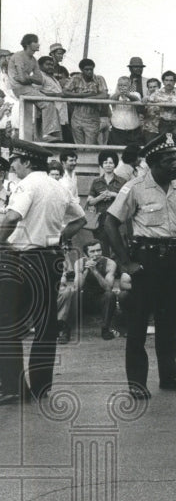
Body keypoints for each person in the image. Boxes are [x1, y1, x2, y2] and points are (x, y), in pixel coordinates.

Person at [104, 132, 176, 398]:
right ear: (156, 162)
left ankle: (170, 375)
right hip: (145, 262)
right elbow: (110, 223)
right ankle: (137, 383)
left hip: (172, 260)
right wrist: (126, 262)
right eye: (170, 160)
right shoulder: (134, 187)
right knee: (137, 324)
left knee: (169, 321)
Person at [0, 138, 87, 404]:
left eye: (16, 160)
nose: (13, 165)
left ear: (27, 161)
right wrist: (60, 237)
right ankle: (41, 386)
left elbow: (12, 217)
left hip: (22, 258)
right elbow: (81, 219)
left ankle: (14, 387)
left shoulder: (27, 185)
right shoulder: (59, 187)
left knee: (7, 324)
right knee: (45, 325)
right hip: (50, 259)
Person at [57, 240, 119, 342]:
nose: (96, 254)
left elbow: (108, 287)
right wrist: (86, 270)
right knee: (73, 293)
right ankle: (65, 331)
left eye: (98, 250)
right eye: (92, 251)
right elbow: (78, 286)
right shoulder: (80, 263)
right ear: (86, 254)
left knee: (110, 295)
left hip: (101, 298)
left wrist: (95, 271)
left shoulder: (110, 263)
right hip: (85, 297)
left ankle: (105, 329)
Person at [86, 149, 126, 256]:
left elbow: (127, 200)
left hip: (117, 220)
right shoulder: (96, 182)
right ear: (101, 165)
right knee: (102, 250)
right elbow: (90, 202)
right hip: (100, 221)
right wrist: (100, 197)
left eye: (111, 162)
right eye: (105, 162)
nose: (108, 165)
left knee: (119, 249)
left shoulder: (122, 181)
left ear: (115, 165)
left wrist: (114, 195)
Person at [63, 59, 109, 146]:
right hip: (77, 116)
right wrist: (82, 95)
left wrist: (89, 97)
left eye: (91, 69)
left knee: (89, 148)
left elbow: (104, 95)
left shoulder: (99, 79)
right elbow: (65, 92)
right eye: (86, 69)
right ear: (81, 70)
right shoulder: (75, 78)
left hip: (92, 117)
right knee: (79, 147)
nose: (89, 72)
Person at [148, 71, 176, 142]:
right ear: (163, 82)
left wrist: (170, 103)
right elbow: (149, 99)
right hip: (164, 122)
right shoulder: (158, 92)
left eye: (171, 80)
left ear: (175, 82)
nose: (168, 83)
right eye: (166, 80)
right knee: (165, 141)